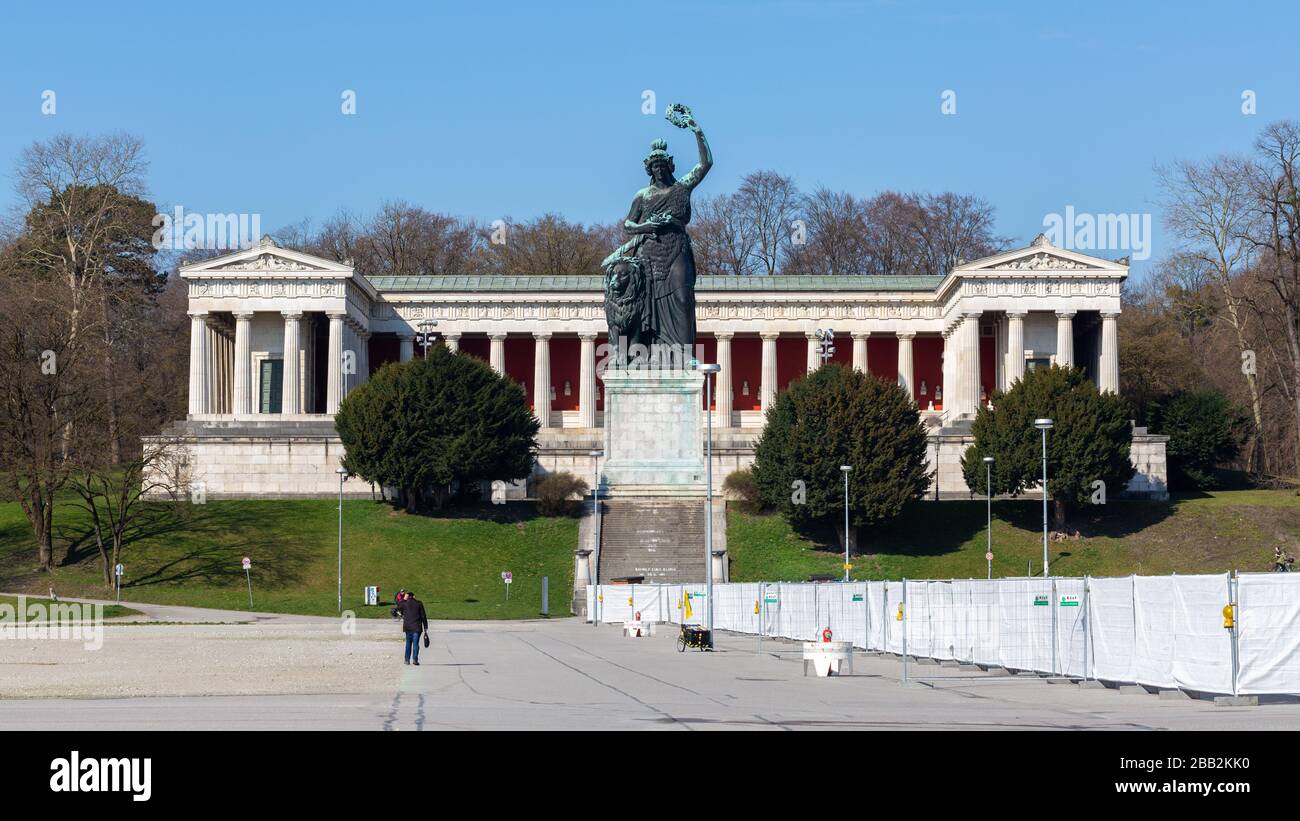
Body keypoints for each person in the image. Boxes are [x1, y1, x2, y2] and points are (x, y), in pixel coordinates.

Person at [397, 590, 428, 665]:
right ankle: (415, 659)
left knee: (408, 643)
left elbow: (398, 607)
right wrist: (425, 626)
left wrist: (404, 599)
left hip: (408, 627)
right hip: (417, 627)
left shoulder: (404, 604)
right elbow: (423, 615)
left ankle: (407, 660)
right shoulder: (419, 603)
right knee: (416, 644)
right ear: (414, 596)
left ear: (407, 596)